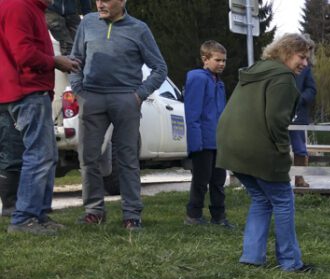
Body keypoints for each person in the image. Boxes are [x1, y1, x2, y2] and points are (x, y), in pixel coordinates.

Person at [217, 32, 314, 273]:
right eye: (302, 57)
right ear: (287, 52)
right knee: (283, 200)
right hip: (257, 148)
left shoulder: (257, 70)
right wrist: (284, 153)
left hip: (231, 145)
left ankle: (252, 257)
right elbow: (276, 121)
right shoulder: (282, 77)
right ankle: (291, 263)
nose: (305, 63)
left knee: (261, 198)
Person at [70, 0, 166, 230]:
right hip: (92, 98)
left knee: (127, 158)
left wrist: (138, 95)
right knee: (88, 156)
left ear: (122, 1)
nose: (100, 4)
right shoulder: (88, 23)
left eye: (106, 0)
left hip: (126, 99)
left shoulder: (139, 29)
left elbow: (160, 68)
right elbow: (76, 60)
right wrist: (80, 91)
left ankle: (132, 215)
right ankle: (94, 211)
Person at [0, 0, 81, 234]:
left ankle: (39, 214)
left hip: (20, 90)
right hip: (26, 90)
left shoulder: (29, 7)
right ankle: (24, 218)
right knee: (39, 154)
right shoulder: (19, 6)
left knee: (46, 154)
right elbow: (23, 54)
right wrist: (55, 61)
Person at [183, 40, 228, 227]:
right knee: (201, 179)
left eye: (224, 60)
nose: (222, 64)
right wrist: (195, 143)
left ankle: (219, 216)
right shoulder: (198, 79)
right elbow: (192, 113)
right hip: (203, 141)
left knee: (219, 180)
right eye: (218, 60)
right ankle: (193, 215)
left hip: (218, 141)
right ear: (205, 59)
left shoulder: (219, 83)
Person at [290, 64, 316, 189]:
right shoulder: (277, 66)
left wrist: (301, 98)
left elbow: (311, 89)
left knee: (300, 148)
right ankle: (278, 179)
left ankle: (299, 178)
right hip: (278, 114)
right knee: (277, 148)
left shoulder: (305, 69)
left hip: (298, 115)